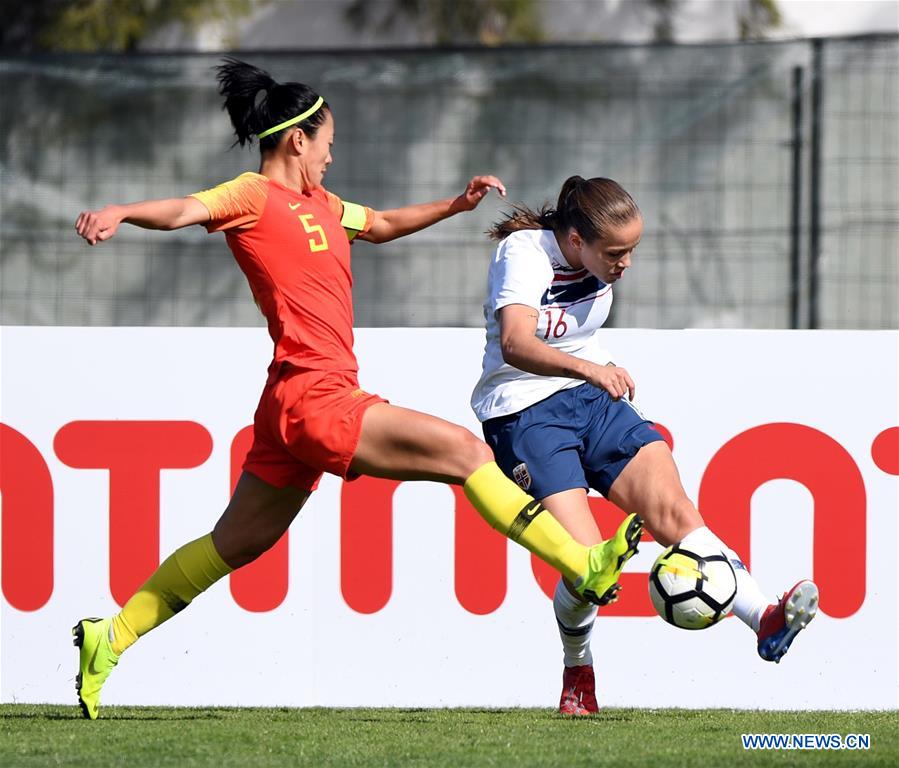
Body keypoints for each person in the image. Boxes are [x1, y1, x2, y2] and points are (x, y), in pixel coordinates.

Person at [70, 60, 644, 720]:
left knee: (237, 543)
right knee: (464, 451)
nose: (331, 155)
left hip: (291, 401)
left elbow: (380, 225)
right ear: (296, 141)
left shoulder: (321, 205)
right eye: (329, 144)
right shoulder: (251, 196)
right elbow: (182, 209)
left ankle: (108, 638)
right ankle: (583, 562)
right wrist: (121, 211)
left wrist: (453, 206)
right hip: (315, 399)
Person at [471, 176, 819, 716]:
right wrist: (590, 367)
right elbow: (516, 342)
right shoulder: (523, 252)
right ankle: (578, 668)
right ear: (576, 240)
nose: (625, 263)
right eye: (615, 252)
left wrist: (592, 370)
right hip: (523, 412)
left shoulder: (597, 258)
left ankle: (764, 621)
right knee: (589, 568)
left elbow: (575, 338)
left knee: (676, 512)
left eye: (632, 250)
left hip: (590, 398)